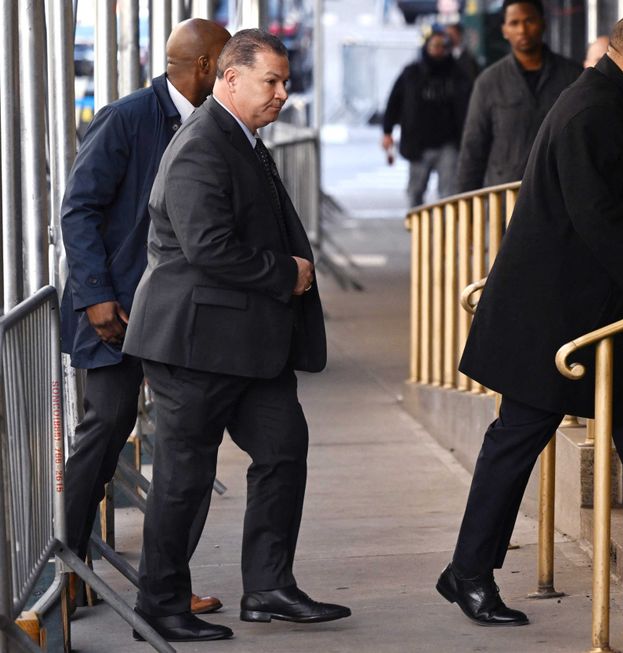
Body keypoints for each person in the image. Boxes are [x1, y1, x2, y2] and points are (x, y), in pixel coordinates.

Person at [437, 10, 623, 627]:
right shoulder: (593, 111)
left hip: (599, 310)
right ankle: (467, 571)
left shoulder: (614, 104)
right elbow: (597, 216)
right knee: (517, 437)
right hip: (553, 318)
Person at [122, 29, 350, 642]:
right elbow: (208, 247)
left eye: (285, 81)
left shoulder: (241, 138)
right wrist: (287, 273)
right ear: (229, 79)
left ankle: (270, 588)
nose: (282, 94)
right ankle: (160, 602)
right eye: (270, 81)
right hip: (194, 345)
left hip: (248, 346)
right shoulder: (202, 143)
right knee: (184, 476)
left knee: (283, 451)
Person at [60, 18, 231, 616]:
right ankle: (69, 567)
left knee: (186, 448)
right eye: (227, 58)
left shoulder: (218, 126)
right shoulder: (127, 116)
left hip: (179, 317)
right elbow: (78, 210)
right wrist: (97, 296)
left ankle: (168, 587)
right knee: (103, 433)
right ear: (206, 66)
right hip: (116, 312)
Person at [455, 0, 582, 192]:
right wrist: (464, 210)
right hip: (505, 201)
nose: (522, 29)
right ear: (504, 30)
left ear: (543, 23)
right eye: (514, 23)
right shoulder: (489, 82)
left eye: (529, 20)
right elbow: (473, 149)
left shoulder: (573, 77)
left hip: (560, 197)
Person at [382, 32, 472, 207]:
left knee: (449, 193)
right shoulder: (412, 73)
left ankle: (447, 232)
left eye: (442, 46)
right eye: (434, 46)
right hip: (419, 143)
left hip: (449, 142)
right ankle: (417, 231)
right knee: (415, 191)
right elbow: (394, 102)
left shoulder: (458, 74)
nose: (437, 50)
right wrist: (387, 131)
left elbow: (469, 105)